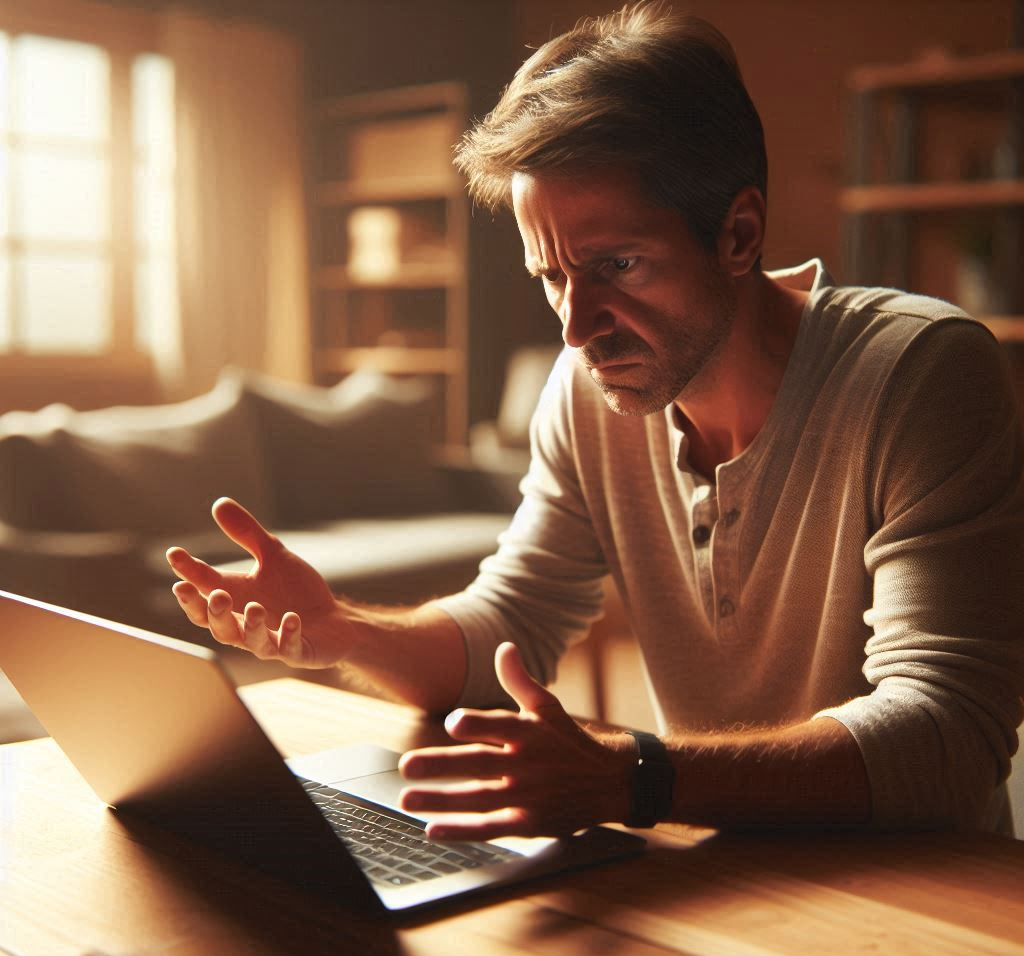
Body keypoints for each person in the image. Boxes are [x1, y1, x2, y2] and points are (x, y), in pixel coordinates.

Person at [168, 2, 1024, 840]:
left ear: (740, 232)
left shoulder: (922, 374)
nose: (577, 328)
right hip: (711, 867)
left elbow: (947, 738)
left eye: (618, 264)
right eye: (553, 276)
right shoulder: (588, 392)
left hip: (919, 892)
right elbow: (513, 621)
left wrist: (637, 776)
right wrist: (341, 631)